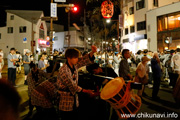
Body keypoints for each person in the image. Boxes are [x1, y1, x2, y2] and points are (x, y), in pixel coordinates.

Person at [56, 46, 97, 120]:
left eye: (77, 57)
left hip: (74, 100)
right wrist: (86, 91)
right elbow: (72, 86)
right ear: (68, 58)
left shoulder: (74, 65)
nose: (77, 59)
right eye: (75, 57)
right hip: (65, 101)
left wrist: (92, 53)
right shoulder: (63, 70)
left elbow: (83, 60)